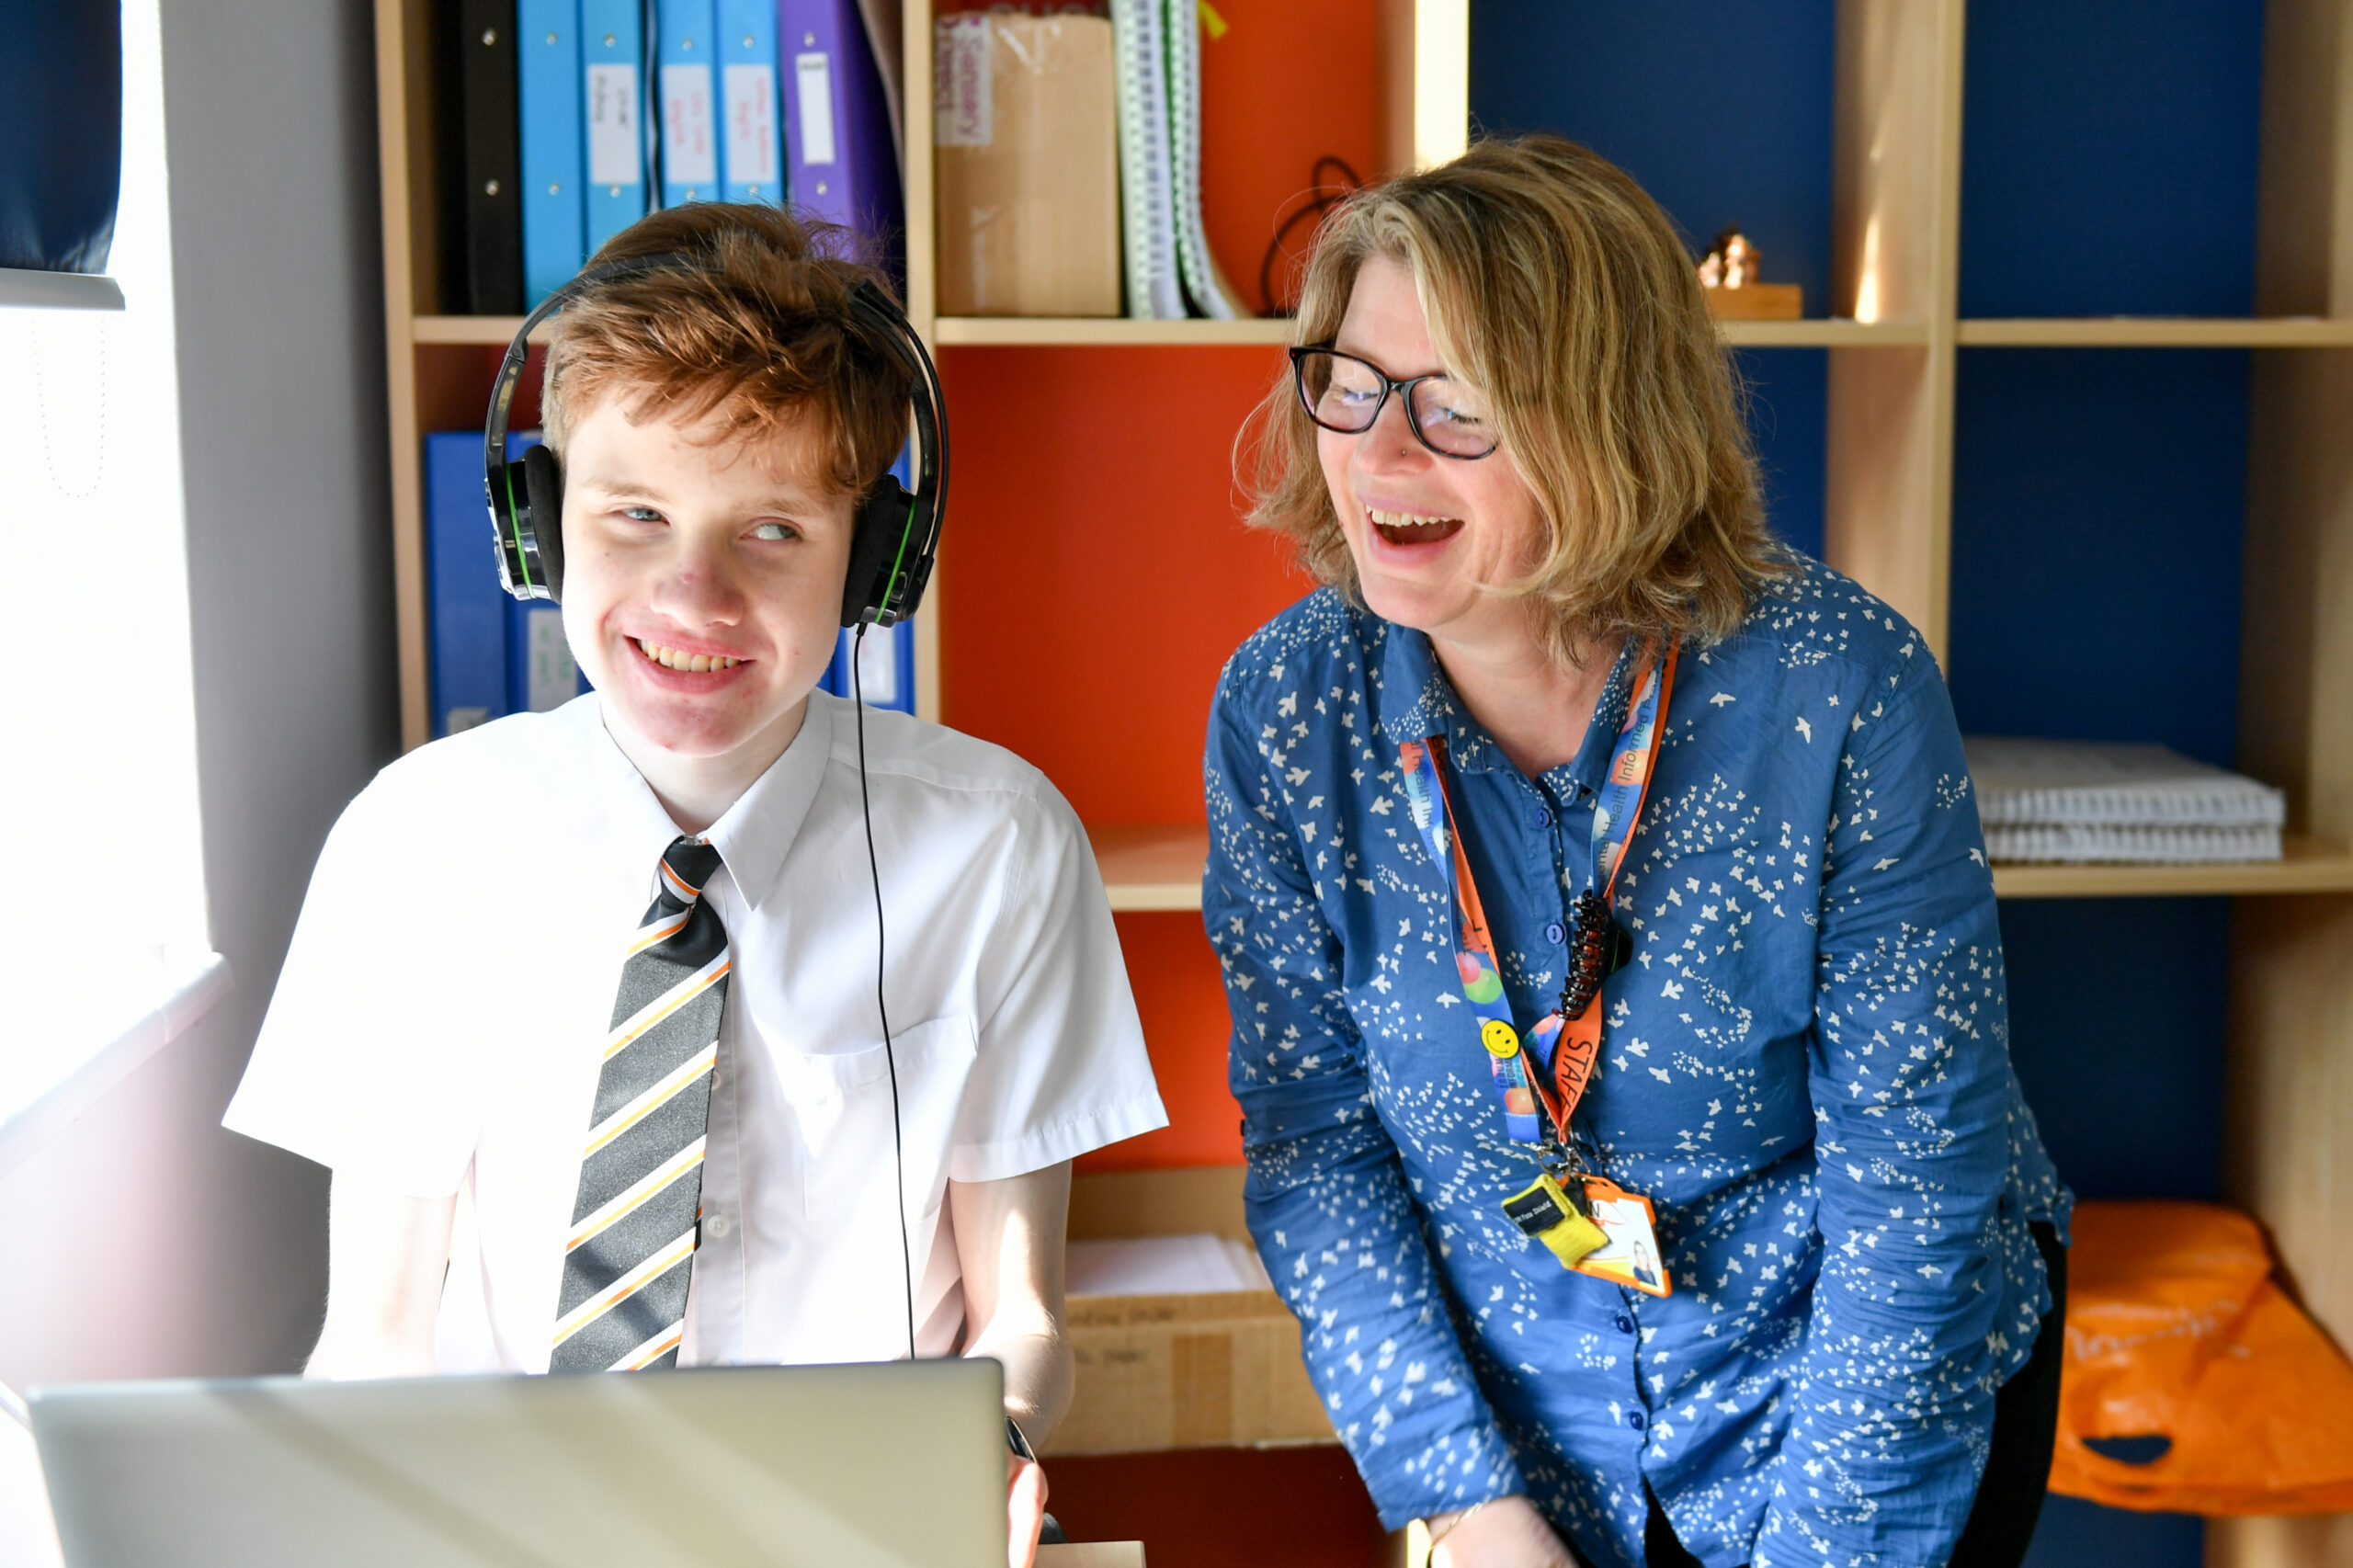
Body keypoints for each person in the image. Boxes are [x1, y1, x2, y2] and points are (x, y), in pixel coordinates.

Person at [224, 202, 1166, 1568]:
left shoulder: (1002, 849)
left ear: (877, 560)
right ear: (538, 523)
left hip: (867, 1537)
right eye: (637, 514)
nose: (695, 595)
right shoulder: (414, 844)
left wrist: (996, 1449)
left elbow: (1025, 1324)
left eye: (774, 531)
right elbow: (371, 1337)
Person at [1202, 136, 2071, 1568]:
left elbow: (1914, 1186)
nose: (1377, 451)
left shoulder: (1837, 682)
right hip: (1528, 1439)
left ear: (1610, 420)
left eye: (1456, 405)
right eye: (1350, 385)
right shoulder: (1288, 708)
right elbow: (1318, 1145)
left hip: (1853, 1392)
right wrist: (1467, 1501)